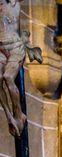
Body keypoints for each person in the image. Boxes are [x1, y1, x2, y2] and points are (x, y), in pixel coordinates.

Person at [0, 0, 41, 137]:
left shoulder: (13, 3)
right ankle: (9, 116)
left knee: (8, 77)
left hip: (15, 47)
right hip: (1, 48)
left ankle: (18, 114)